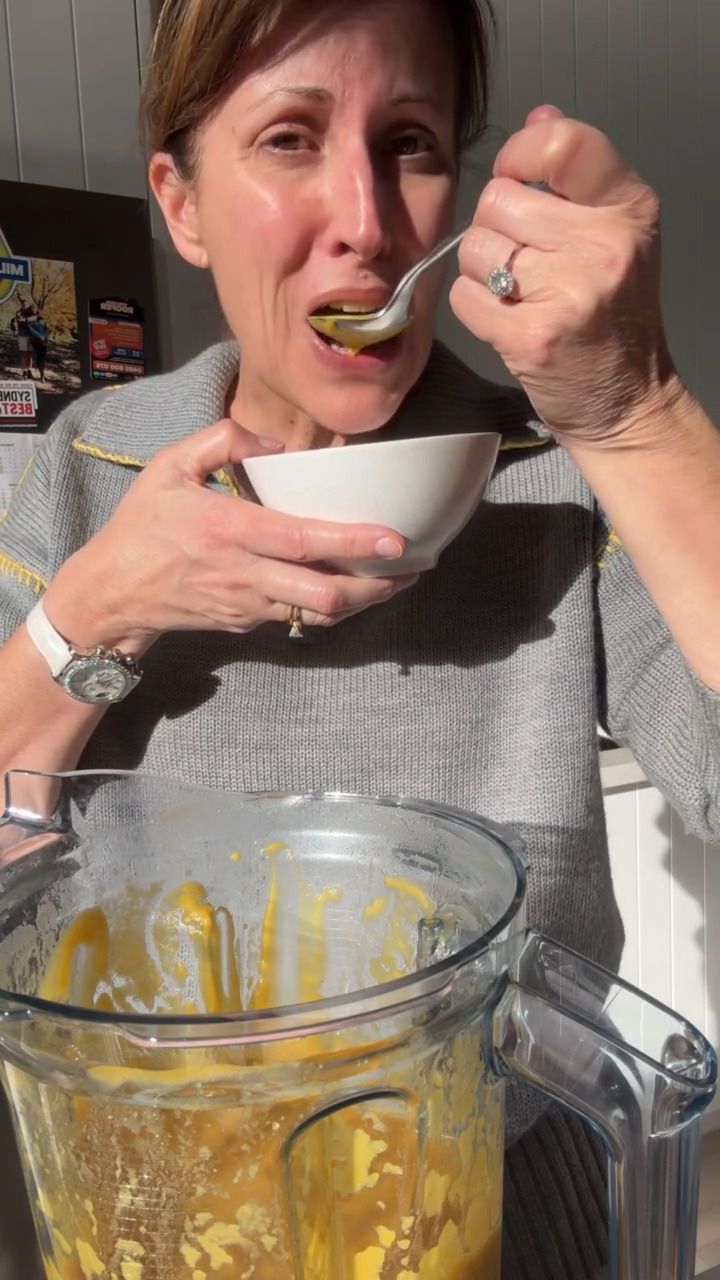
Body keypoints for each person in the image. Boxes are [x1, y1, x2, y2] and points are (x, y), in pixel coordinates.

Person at [0, 0, 717, 1276]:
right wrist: (96, 612)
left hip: (507, 1209)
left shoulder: (560, 474)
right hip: (170, 1222)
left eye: (410, 143)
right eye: (289, 138)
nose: (369, 222)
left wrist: (640, 413)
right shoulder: (89, 465)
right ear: (182, 204)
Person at [25, 305, 49, 382]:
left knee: (43, 358)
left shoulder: (41, 318)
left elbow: (46, 328)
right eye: (32, 309)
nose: (34, 310)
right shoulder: (29, 319)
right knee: (39, 357)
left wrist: (45, 337)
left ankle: (42, 375)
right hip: (36, 340)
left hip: (44, 340)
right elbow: (31, 330)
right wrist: (40, 337)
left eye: (35, 309)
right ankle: (42, 375)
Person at [8, 303, 32, 378]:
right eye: (24, 304)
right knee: (23, 353)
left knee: (30, 354)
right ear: (22, 305)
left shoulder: (31, 312)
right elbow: (19, 321)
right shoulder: (19, 313)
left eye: (26, 304)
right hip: (22, 335)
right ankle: (24, 370)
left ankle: (29, 370)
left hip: (31, 336)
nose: (25, 306)